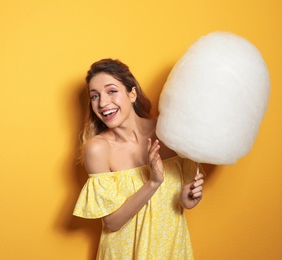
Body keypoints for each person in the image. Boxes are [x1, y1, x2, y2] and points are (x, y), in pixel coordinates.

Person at [73, 58, 204, 259]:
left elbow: (182, 202)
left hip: (172, 250)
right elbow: (112, 222)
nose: (103, 103)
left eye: (112, 91)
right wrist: (153, 182)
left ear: (132, 93)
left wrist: (188, 200)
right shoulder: (98, 149)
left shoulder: (168, 131)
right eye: (94, 96)